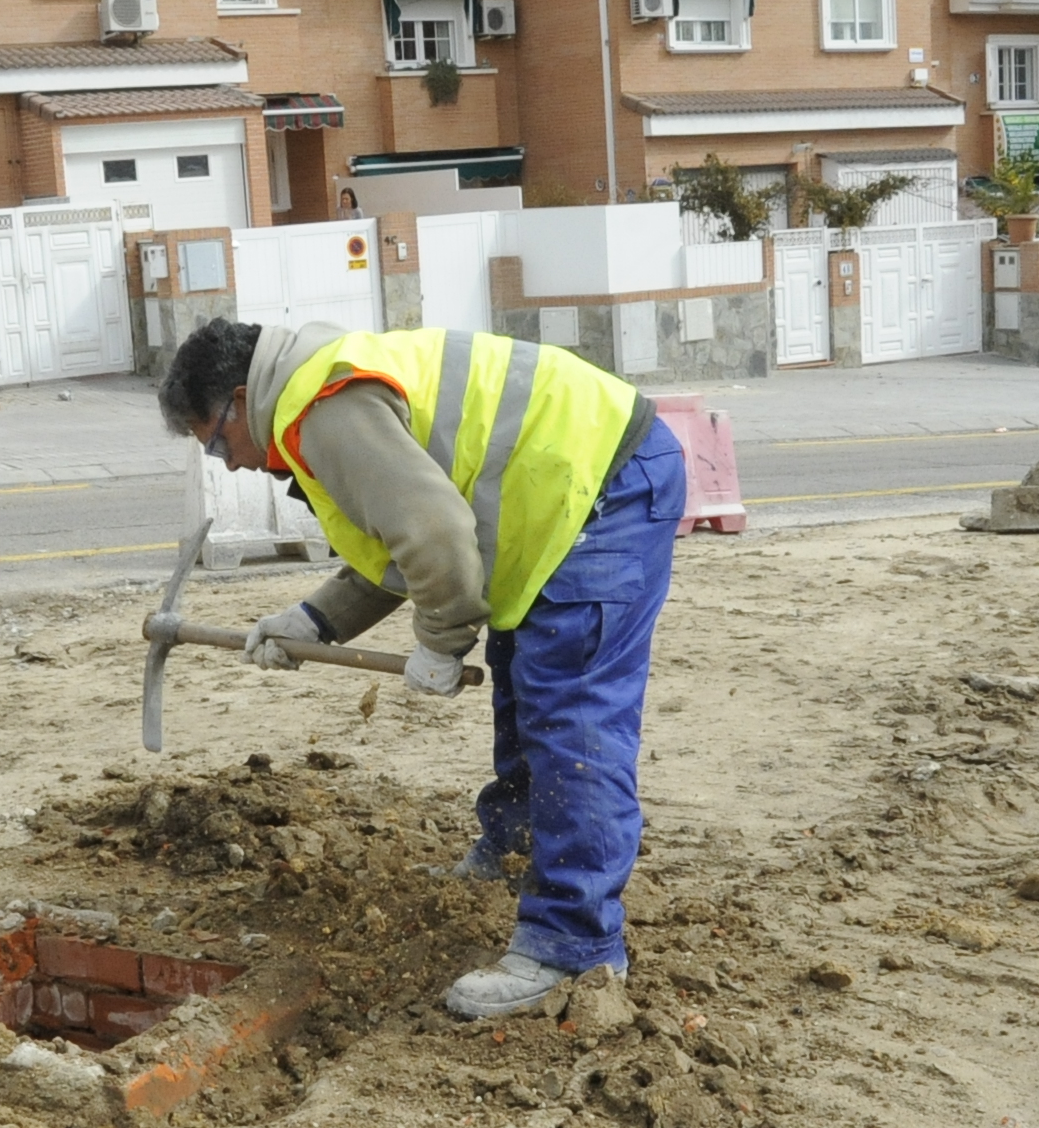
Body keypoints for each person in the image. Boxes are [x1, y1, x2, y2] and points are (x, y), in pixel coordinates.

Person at [158, 318, 685, 1019]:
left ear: (239, 394)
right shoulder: (315, 395)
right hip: (569, 489)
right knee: (530, 687)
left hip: (602, 485)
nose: (229, 463)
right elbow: (398, 543)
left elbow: (435, 534)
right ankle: (515, 852)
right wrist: (316, 621)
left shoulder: (324, 410)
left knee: (572, 714)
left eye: (218, 440)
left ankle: (573, 945)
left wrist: (441, 640)